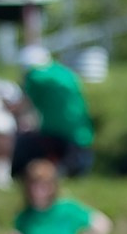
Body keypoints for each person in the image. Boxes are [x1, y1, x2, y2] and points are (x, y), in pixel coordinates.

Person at [15, 45, 95, 176]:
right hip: (82, 136)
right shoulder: (65, 73)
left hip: (55, 136)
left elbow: (23, 104)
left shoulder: (35, 77)